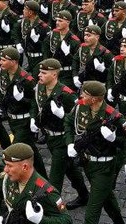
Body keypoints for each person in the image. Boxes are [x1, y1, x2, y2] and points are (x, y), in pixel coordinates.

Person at [60, 81, 126, 224]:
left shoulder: (115, 117)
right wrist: (69, 143)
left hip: (105, 168)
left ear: (96, 98)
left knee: (92, 212)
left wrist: (115, 140)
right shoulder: (80, 106)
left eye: (85, 93)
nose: (81, 96)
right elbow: (67, 121)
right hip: (88, 163)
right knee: (105, 197)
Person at [31, 58, 89, 210]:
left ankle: (51, 208)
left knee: (55, 177)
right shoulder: (40, 87)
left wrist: (63, 116)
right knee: (70, 170)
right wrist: (33, 119)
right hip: (49, 136)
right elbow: (35, 103)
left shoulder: (67, 94)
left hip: (62, 139)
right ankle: (84, 195)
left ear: (55, 75)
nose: (39, 75)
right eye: (40, 72)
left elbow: (80, 117)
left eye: (44, 73)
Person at [0, 48, 48, 176]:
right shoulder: (3, 73)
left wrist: (22, 99)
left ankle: (8, 175)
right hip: (12, 119)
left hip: (24, 121)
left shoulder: (27, 80)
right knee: (32, 151)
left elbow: (35, 102)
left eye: (3, 60)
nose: (0, 62)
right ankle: (44, 176)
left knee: (14, 149)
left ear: (13, 62)